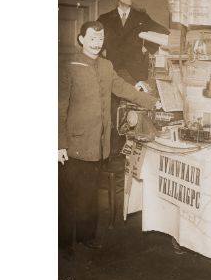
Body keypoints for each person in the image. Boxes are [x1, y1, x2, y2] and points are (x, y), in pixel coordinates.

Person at [58, 21, 160, 258]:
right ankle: (63, 244)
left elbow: (123, 88)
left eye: (100, 38)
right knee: (69, 197)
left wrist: (152, 102)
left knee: (91, 194)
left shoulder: (106, 65)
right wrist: (59, 144)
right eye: (92, 38)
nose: (97, 42)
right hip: (75, 144)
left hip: (99, 144)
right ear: (81, 39)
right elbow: (59, 107)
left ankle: (85, 237)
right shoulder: (69, 66)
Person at [98, 0, 169, 157]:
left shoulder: (141, 18)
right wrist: (103, 54)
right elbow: (95, 42)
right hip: (112, 73)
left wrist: (148, 50)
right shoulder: (104, 19)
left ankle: (131, 161)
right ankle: (112, 158)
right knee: (112, 116)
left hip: (135, 74)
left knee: (136, 117)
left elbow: (163, 32)